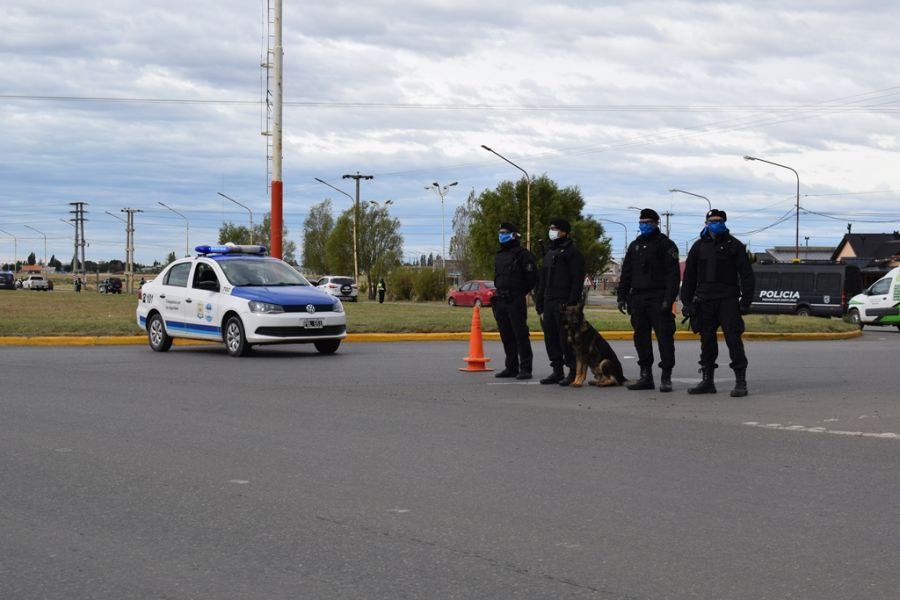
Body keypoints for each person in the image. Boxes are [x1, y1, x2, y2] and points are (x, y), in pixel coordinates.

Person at [680, 209, 755, 397]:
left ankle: (740, 382)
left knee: (733, 340)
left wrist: (745, 302)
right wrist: (687, 302)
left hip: (728, 301)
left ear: (725, 223)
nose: (716, 223)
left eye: (719, 220)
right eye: (712, 220)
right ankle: (707, 381)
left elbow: (747, 275)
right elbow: (689, 276)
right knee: (707, 342)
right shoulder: (698, 247)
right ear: (706, 223)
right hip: (704, 301)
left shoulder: (735, 246)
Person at [617, 208, 680, 392]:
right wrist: (621, 296)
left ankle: (666, 376)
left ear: (656, 224)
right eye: (641, 222)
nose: (644, 225)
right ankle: (645, 376)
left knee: (664, 338)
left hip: (658, 297)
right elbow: (626, 273)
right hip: (638, 298)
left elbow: (673, 276)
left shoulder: (666, 245)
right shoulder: (635, 246)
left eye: (647, 223)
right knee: (641, 338)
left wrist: (669, 300)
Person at [535, 218, 585, 386]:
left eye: (554, 228)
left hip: (564, 302)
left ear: (564, 231)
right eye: (550, 228)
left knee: (566, 339)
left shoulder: (572, 252)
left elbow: (577, 280)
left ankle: (572, 371)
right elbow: (543, 279)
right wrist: (539, 299)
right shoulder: (550, 252)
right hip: (549, 301)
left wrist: (571, 303)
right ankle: (557, 370)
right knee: (551, 337)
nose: (551, 231)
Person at [492, 222, 538, 380]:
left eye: (504, 232)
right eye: (500, 232)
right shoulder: (499, 255)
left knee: (520, 334)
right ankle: (511, 367)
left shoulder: (523, 255)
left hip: (515, 299)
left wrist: (519, 292)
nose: (501, 235)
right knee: (506, 335)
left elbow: (532, 278)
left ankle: (525, 368)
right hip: (501, 300)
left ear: (513, 235)